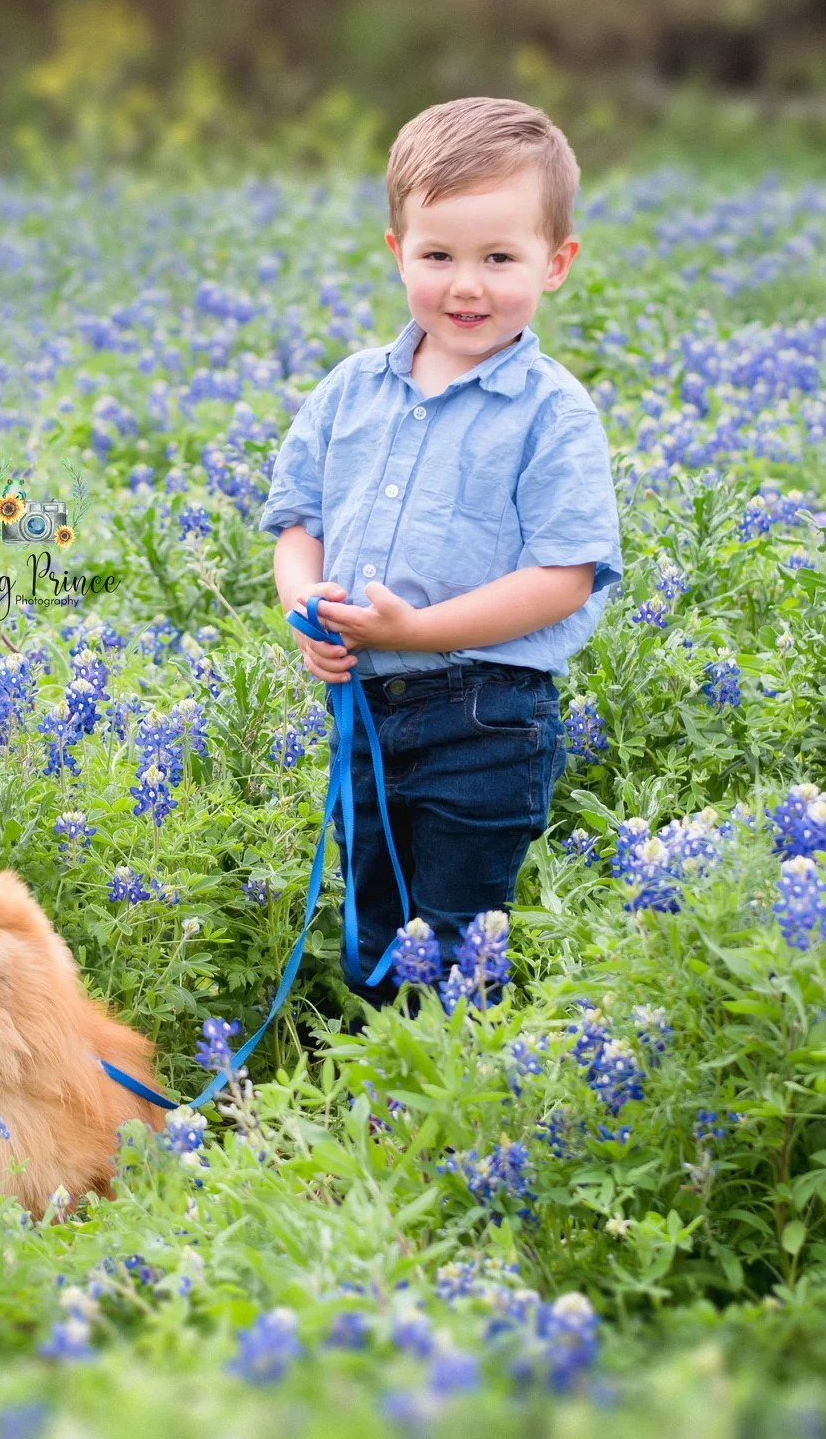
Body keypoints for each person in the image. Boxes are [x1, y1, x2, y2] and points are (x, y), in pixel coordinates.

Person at [259, 96, 623, 1007]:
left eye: (499, 258)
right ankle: (393, 1109)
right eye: (439, 256)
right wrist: (304, 603)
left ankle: (463, 1123)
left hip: (488, 715)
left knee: (460, 945)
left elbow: (563, 577)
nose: (467, 285)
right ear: (396, 252)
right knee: (375, 929)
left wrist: (419, 629)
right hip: (368, 713)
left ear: (557, 263)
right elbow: (297, 520)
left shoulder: (552, 411)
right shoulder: (349, 391)